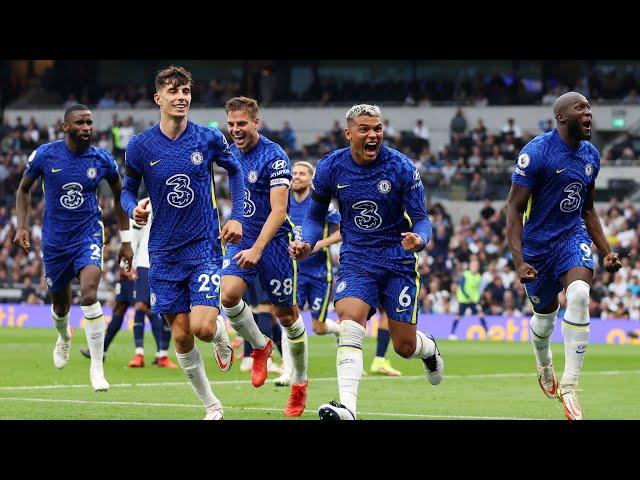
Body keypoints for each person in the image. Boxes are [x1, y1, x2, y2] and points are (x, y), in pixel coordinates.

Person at [290, 104, 444, 420]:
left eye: (377, 129)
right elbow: (315, 215)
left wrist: (419, 239)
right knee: (349, 319)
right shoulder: (331, 167)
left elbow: (421, 219)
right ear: (349, 133)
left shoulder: (401, 167)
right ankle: (348, 407)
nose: (372, 135)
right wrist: (308, 241)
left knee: (403, 346)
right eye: (364, 129)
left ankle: (428, 348)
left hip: (398, 260)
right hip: (357, 258)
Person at [120, 66, 245, 420]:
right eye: (174, 91)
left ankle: (219, 330)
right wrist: (134, 209)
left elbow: (234, 171)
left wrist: (235, 216)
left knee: (201, 328)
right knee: (181, 337)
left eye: (186, 91)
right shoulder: (140, 146)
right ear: (159, 98)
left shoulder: (207, 137)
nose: (181, 97)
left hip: (203, 245)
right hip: (162, 251)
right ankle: (212, 406)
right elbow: (128, 191)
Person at [506, 91, 622, 421]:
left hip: (571, 239)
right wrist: (519, 261)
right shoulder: (537, 153)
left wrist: (607, 251)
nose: (588, 113)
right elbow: (513, 209)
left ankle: (570, 386)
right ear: (561, 117)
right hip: (537, 247)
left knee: (582, 294)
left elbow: (587, 209)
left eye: (588, 108)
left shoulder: (591, 156)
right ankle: (544, 365)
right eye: (580, 108)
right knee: (544, 316)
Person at [14, 104, 134, 392]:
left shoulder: (102, 159)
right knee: (60, 304)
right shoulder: (45, 155)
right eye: (80, 123)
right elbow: (22, 190)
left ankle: (96, 367)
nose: (86, 128)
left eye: (89, 123)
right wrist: (21, 226)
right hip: (55, 241)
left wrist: (127, 240)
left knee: (90, 295)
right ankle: (64, 337)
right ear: (65, 126)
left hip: (88, 235)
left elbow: (120, 195)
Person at [220, 96, 308, 417]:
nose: (236, 130)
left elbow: (280, 210)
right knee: (228, 296)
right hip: (242, 238)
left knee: (286, 316)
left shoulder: (275, 156)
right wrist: (231, 223)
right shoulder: (229, 153)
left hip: (273, 243)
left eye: (241, 123)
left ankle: (299, 383)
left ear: (256, 122)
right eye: (231, 124)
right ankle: (260, 346)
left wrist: (258, 247)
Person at [81, 198, 177, 368]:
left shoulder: (175, 200)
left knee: (144, 306)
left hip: (157, 263)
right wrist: (127, 265)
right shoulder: (145, 203)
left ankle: (160, 353)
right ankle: (101, 350)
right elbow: (133, 237)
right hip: (139, 264)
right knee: (121, 306)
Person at [273, 160, 342, 387]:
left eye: (302, 173)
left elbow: (342, 230)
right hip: (294, 271)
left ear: (311, 179)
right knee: (287, 318)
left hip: (320, 273)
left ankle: (338, 331)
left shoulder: (320, 203)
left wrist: (319, 244)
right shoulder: (285, 201)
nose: (297, 176)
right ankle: (287, 371)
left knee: (318, 327)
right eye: (294, 173)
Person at [449, 258, 489, 340]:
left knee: (480, 314)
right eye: (473, 265)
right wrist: (467, 296)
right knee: (459, 316)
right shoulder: (465, 275)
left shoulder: (478, 277)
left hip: (473, 301)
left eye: (476, 266)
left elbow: (478, 289)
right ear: (470, 266)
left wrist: (478, 298)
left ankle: (487, 333)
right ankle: (452, 333)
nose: (475, 267)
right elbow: (462, 287)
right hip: (464, 300)